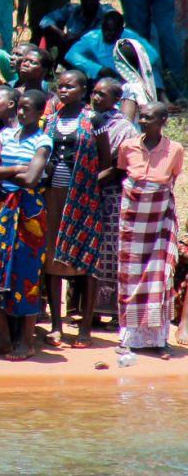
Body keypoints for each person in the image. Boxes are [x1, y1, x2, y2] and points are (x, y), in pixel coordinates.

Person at [0, 90, 51, 361]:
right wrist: (18, 167)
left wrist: (7, 171)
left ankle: (26, 341)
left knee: (26, 274)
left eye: (28, 108)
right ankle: (5, 337)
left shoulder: (43, 141)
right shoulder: (5, 136)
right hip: (3, 207)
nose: (21, 112)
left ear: (41, 112)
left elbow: (32, 179)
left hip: (29, 211)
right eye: (19, 107)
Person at [42, 70, 110, 349]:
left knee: (87, 261)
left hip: (83, 200)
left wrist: (89, 188)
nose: (63, 90)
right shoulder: (51, 120)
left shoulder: (94, 120)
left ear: (83, 90)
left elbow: (107, 165)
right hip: (52, 197)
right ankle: (57, 326)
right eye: (61, 86)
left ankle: (84, 328)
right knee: (52, 257)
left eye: (70, 86)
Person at [117, 101, 183, 357]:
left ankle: (158, 340)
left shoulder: (175, 149)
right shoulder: (128, 146)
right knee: (130, 272)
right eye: (141, 117)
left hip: (159, 219)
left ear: (163, 121)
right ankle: (129, 336)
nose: (142, 121)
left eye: (148, 118)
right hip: (132, 218)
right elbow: (124, 174)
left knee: (159, 276)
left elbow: (171, 179)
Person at [90, 78, 137, 322]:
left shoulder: (125, 128)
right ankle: (87, 311)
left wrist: (90, 183)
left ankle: (111, 313)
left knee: (109, 251)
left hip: (110, 194)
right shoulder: (87, 119)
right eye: (95, 93)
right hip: (86, 193)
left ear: (116, 100)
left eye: (102, 95)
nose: (96, 98)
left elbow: (118, 168)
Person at [65, 10, 161, 94]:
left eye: (113, 31)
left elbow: (152, 55)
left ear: (121, 30)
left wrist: (131, 70)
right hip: (100, 79)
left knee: (152, 69)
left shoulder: (130, 36)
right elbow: (71, 55)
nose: (109, 34)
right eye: (106, 30)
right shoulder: (92, 37)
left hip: (129, 78)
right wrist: (98, 69)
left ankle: (160, 96)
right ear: (102, 27)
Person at [40, 0, 115, 59]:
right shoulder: (72, 9)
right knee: (49, 31)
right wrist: (61, 34)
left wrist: (78, 37)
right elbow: (46, 20)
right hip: (71, 50)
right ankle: (47, 65)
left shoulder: (106, 12)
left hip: (96, 54)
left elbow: (111, 28)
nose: (88, 3)